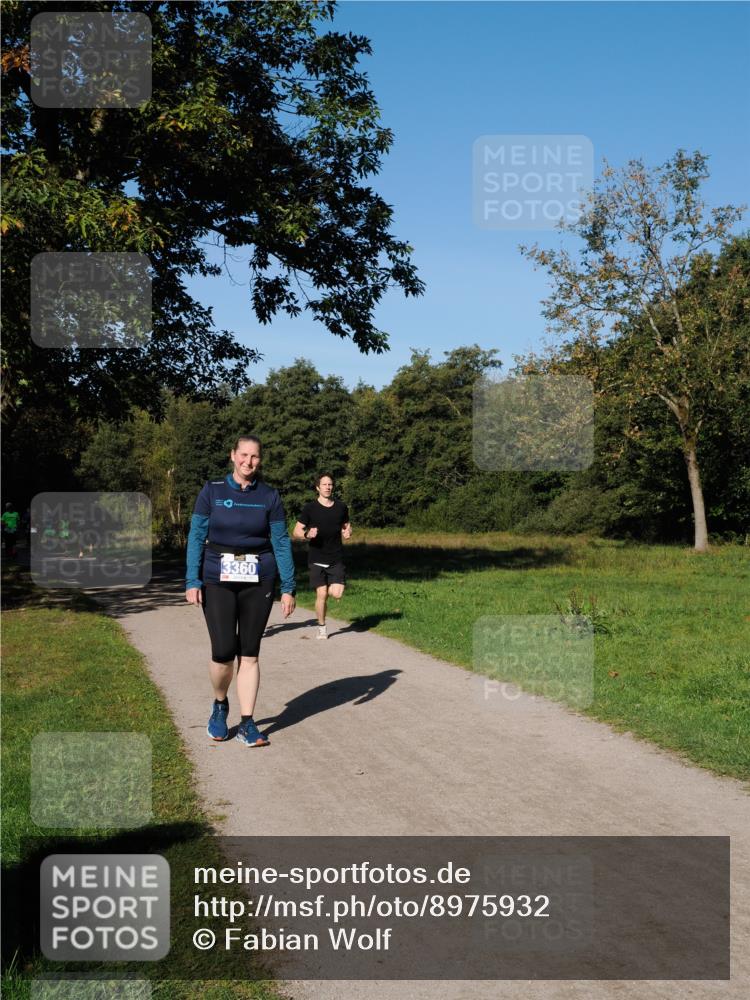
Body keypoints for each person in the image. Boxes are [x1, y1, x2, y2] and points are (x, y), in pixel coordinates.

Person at [185, 436, 296, 747]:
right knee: (223, 652)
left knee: (249, 653)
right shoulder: (212, 491)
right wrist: (192, 580)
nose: (249, 462)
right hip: (217, 578)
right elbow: (196, 536)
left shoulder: (269, 496)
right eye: (244, 455)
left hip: (259, 579)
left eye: (255, 456)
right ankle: (220, 704)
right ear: (232, 455)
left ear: (260, 459)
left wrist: (288, 586)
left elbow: (281, 541)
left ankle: (248, 723)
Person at [293, 474, 352, 639]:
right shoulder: (310, 508)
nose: (328, 487)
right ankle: (321, 626)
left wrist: (348, 532)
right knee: (322, 594)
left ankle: (332, 590)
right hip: (317, 557)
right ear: (318, 487)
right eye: (324, 484)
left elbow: (347, 526)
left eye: (330, 484)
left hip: (335, 557)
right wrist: (307, 534)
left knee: (337, 593)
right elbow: (296, 531)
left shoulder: (341, 507)